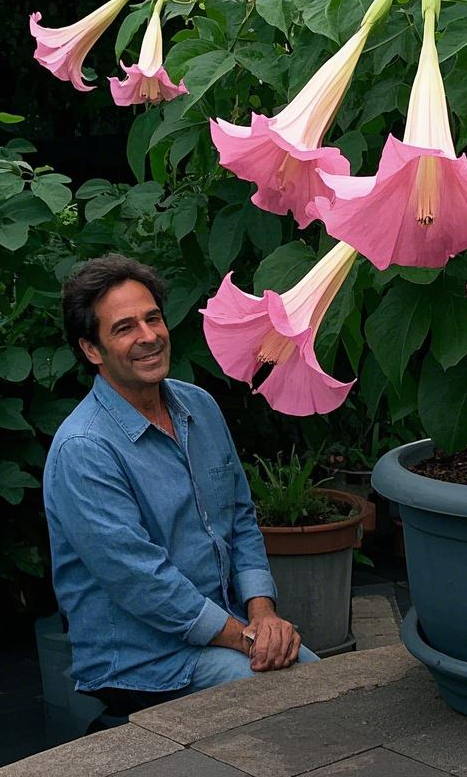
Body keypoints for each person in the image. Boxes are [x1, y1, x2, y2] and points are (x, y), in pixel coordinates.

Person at [43, 254, 316, 714]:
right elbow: (142, 583)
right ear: (92, 350)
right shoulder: (85, 449)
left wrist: (263, 612)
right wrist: (247, 637)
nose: (148, 336)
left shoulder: (199, 407)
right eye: (125, 327)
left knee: (325, 686)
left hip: (225, 633)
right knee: (298, 697)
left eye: (153, 318)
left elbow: (241, 519)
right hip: (142, 659)